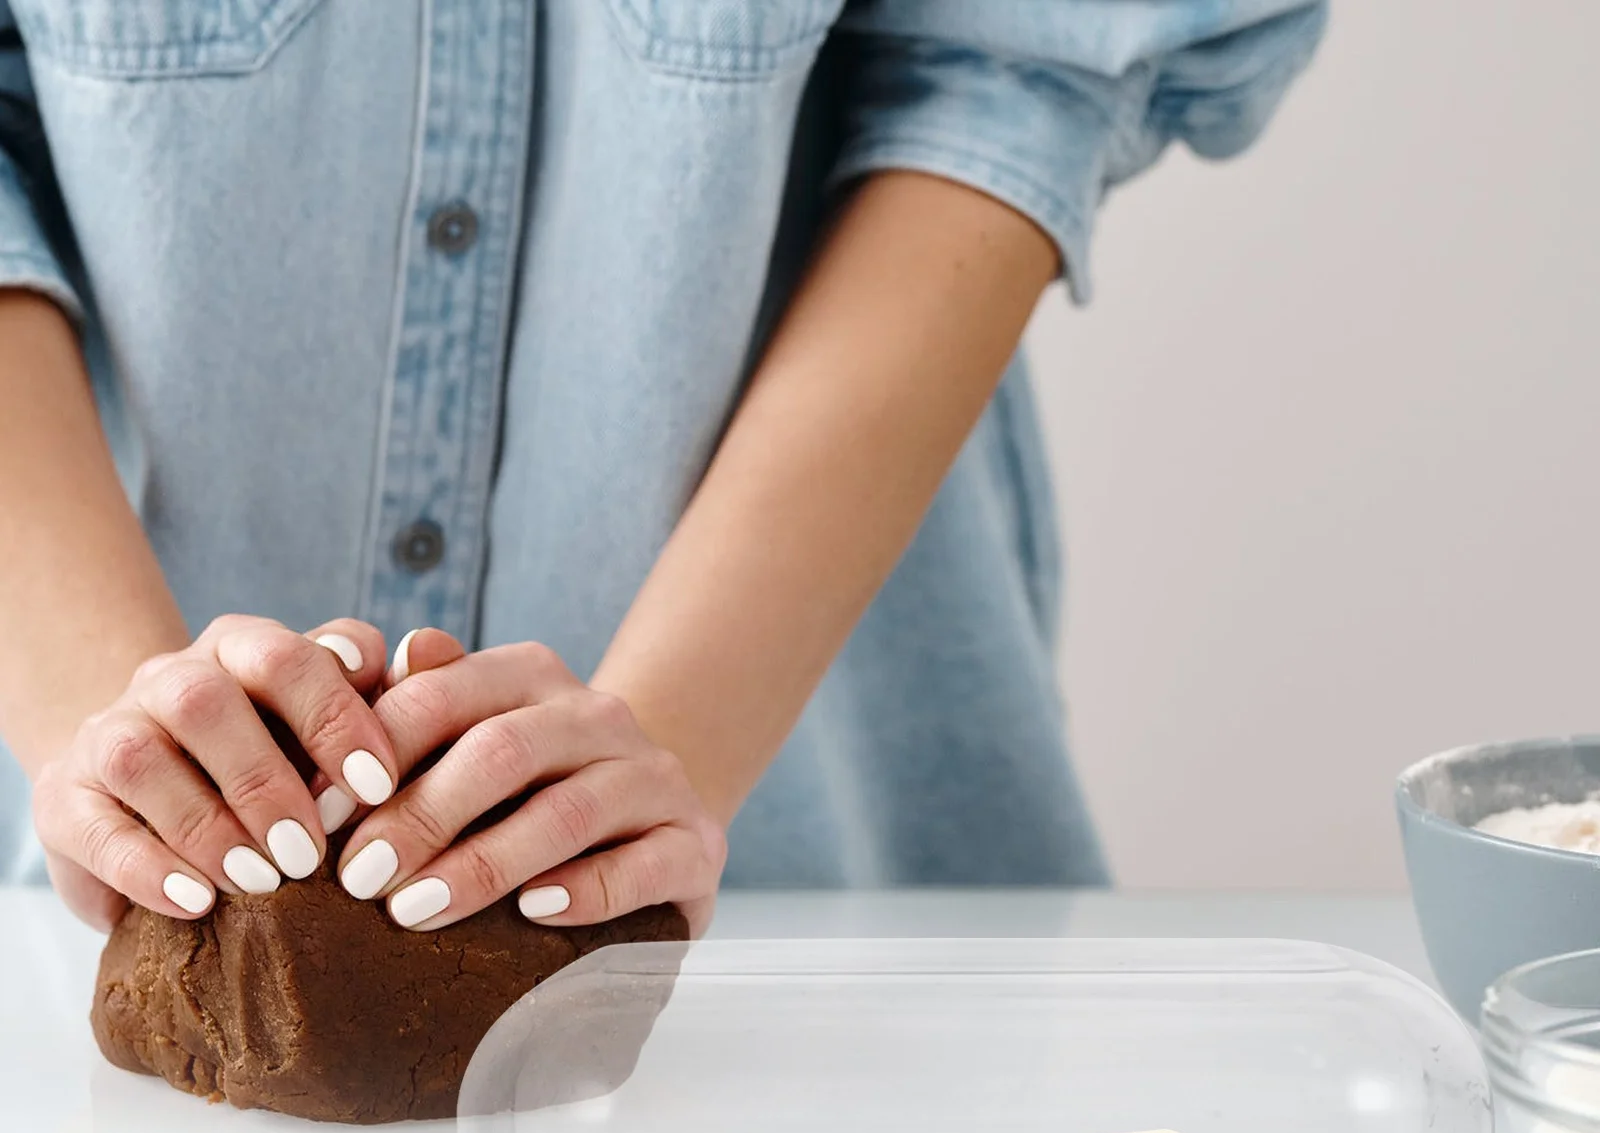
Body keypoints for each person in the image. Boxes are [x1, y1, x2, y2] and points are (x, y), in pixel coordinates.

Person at [0, 0, 1325, 939]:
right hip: (62, 916)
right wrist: (96, 727)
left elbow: (1026, 68)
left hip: (818, 878)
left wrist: (665, 764)